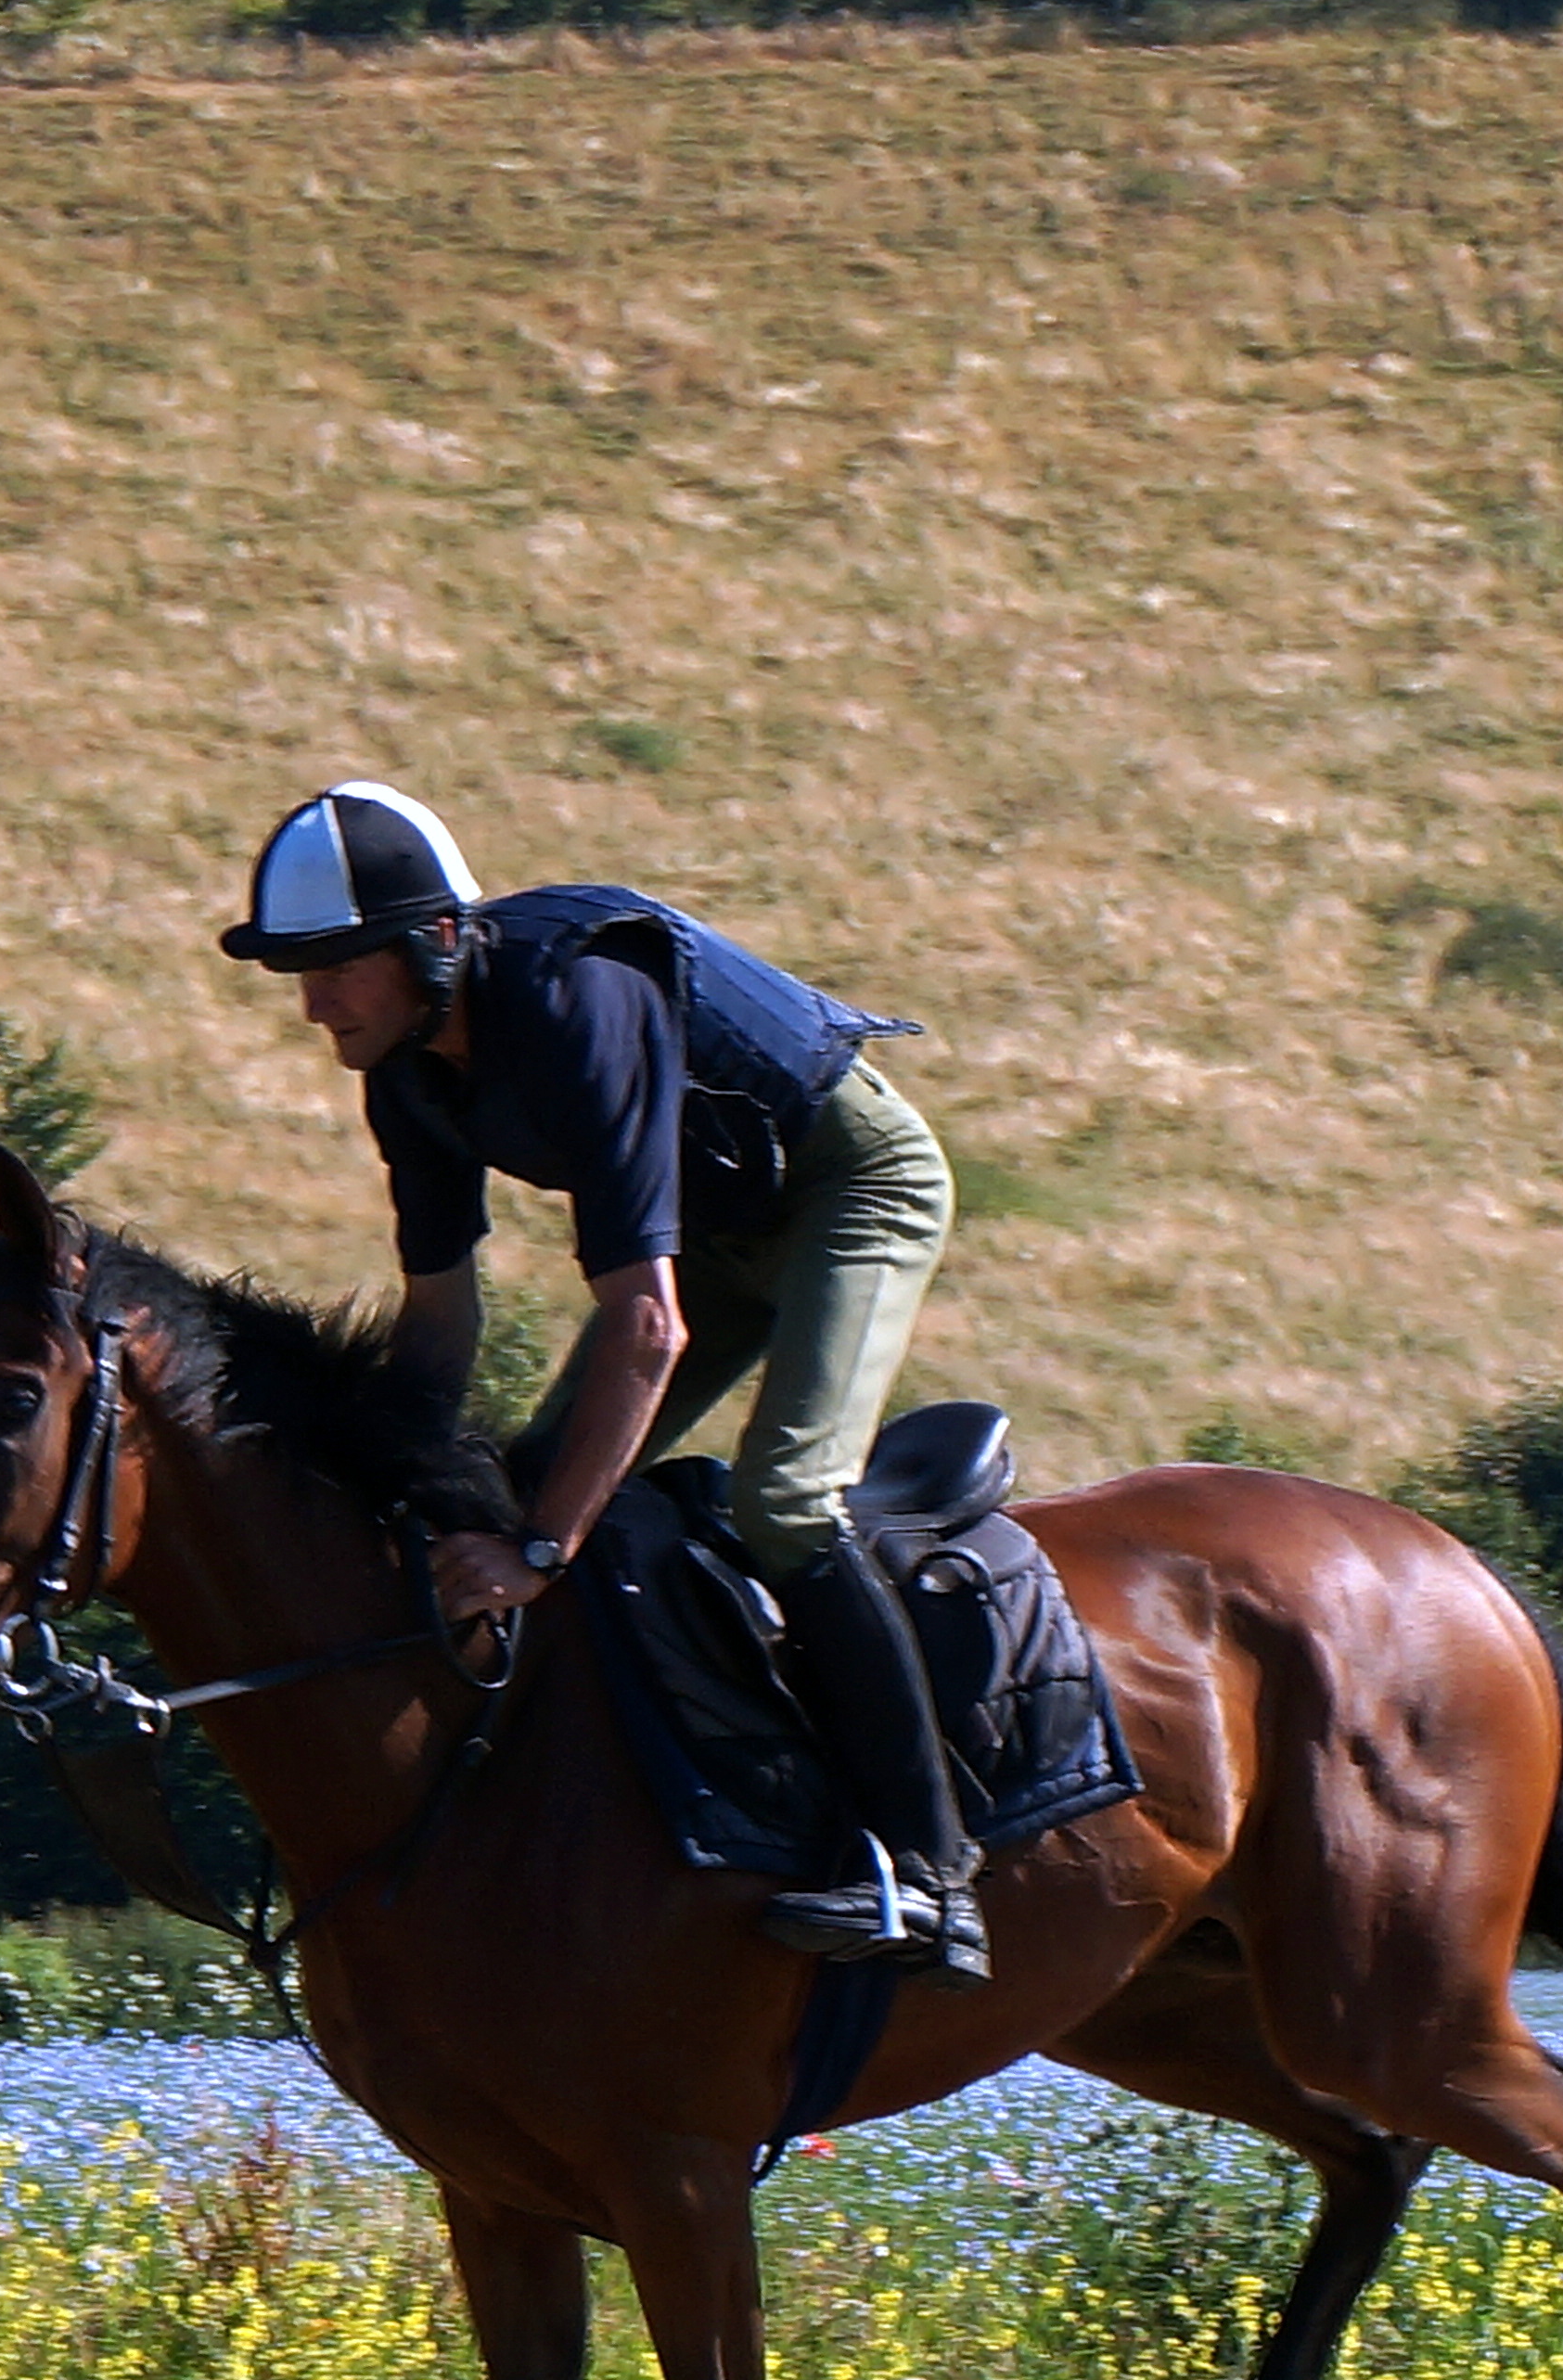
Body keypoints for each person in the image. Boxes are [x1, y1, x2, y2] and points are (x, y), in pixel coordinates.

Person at [221, 781, 988, 1987]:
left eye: (336, 968)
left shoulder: (575, 999)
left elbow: (648, 1329)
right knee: (526, 1482)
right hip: (722, 1231)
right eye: (300, 974)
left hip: (850, 1190)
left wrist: (539, 1551)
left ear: (436, 940)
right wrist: (396, 1502)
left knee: (783, 1502)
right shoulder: (407, 1070)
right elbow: (440, 1320)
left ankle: (933, 1873)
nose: (314, 1005)